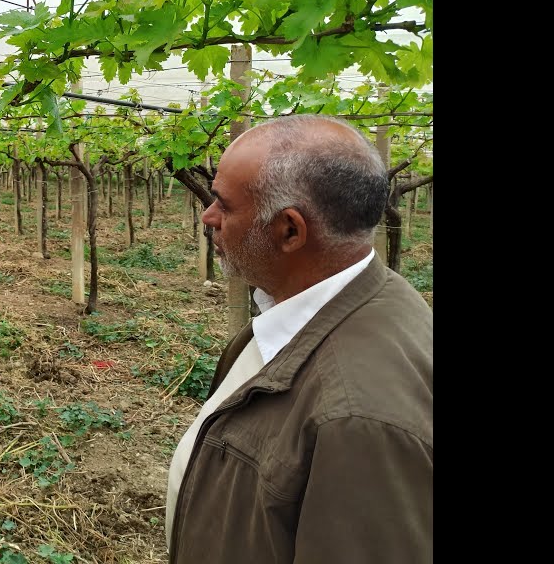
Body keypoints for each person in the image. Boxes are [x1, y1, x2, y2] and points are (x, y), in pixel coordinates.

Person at [164, 114, 432, 563]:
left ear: (290, 230)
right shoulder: (325, 310)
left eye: (224, 205)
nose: (207, 217)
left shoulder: (358, 419)